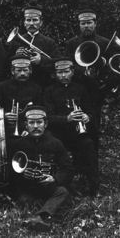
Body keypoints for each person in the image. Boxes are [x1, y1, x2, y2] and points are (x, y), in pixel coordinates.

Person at [7, 105, 74, 232]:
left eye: (39, 122)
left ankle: (39, 217)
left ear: (46, 124)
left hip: (48, 186)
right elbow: (10, 169)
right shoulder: (19, 144)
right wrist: (22, 175)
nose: (36, 126)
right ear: (26, 125)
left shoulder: (56, 143)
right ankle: (44, 212)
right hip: (28, 187)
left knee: (63, 192)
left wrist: (54, 179)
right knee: (23, 199)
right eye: (31, 123)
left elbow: (68, 169)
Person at [44, 58, 99, 197]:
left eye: (66, 72)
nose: (63, 76)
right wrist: (66, 119)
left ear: (72, 72)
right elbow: (47, 117)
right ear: (55, 74)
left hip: (77, 133)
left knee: (88, 145)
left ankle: (94, 187)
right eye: (59, 73)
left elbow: (91, 110)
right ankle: (62, 184)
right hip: (58, 133)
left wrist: (88, 117)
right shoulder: (49, 91)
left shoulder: (80, 88)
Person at [64, 8, 111, 148]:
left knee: (93, 123)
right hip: (78, 87)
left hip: (97, 89)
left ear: (95, 23)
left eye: (89, 23)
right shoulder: (72, 43)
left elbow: (111, 66)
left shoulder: (104, 42)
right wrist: (81, 71)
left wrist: (102, 78)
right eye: (83, 23)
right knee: (77, 122)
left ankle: (93, 161)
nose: (86, 26)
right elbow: (68, 64)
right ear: (79, 25)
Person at [0, 54, 42, 138]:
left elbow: (39, 111)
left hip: (28, 129)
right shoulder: (2, 86)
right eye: (18, 70)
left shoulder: (36, 88)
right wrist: (4, 116)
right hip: (5, 128)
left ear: (30, 71)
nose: (22, 73)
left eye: (25, 70)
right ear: (12, 71)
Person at [7, 5, 58, 88]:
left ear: (41, 23)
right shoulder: (15, 42)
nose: (31, 23)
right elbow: (6, 63)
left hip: (42, 83)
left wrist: (41, 60)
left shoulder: (49, 42)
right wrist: (16, 56)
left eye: (35, 20)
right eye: (28, 20)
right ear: (24, 23)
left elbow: (56, 63)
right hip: (19, 84)